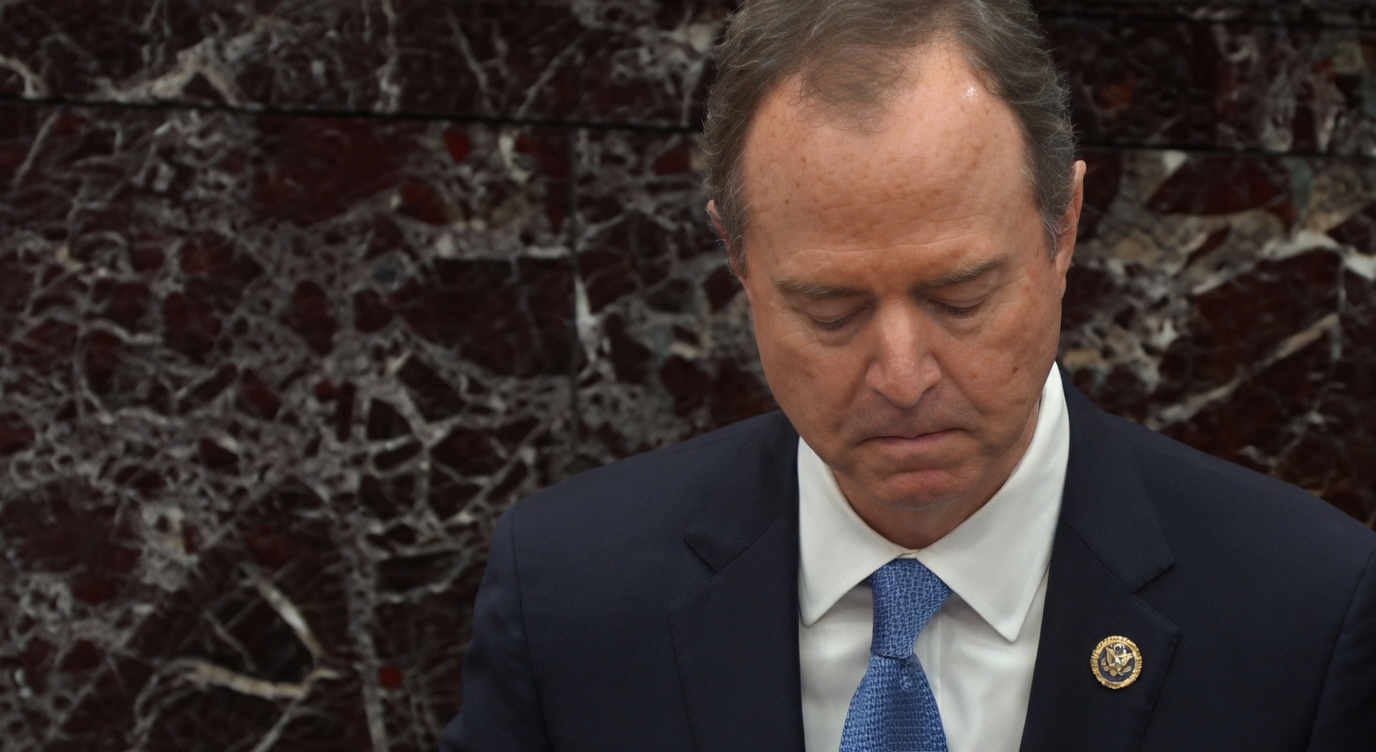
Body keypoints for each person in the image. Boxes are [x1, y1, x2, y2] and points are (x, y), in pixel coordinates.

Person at [441, 0, 1376, 749]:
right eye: (831, 310)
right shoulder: (569, 600)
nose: (901, 375)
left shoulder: (1304, 614)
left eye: (960, 297)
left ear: (1064, 227)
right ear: (737, 259)